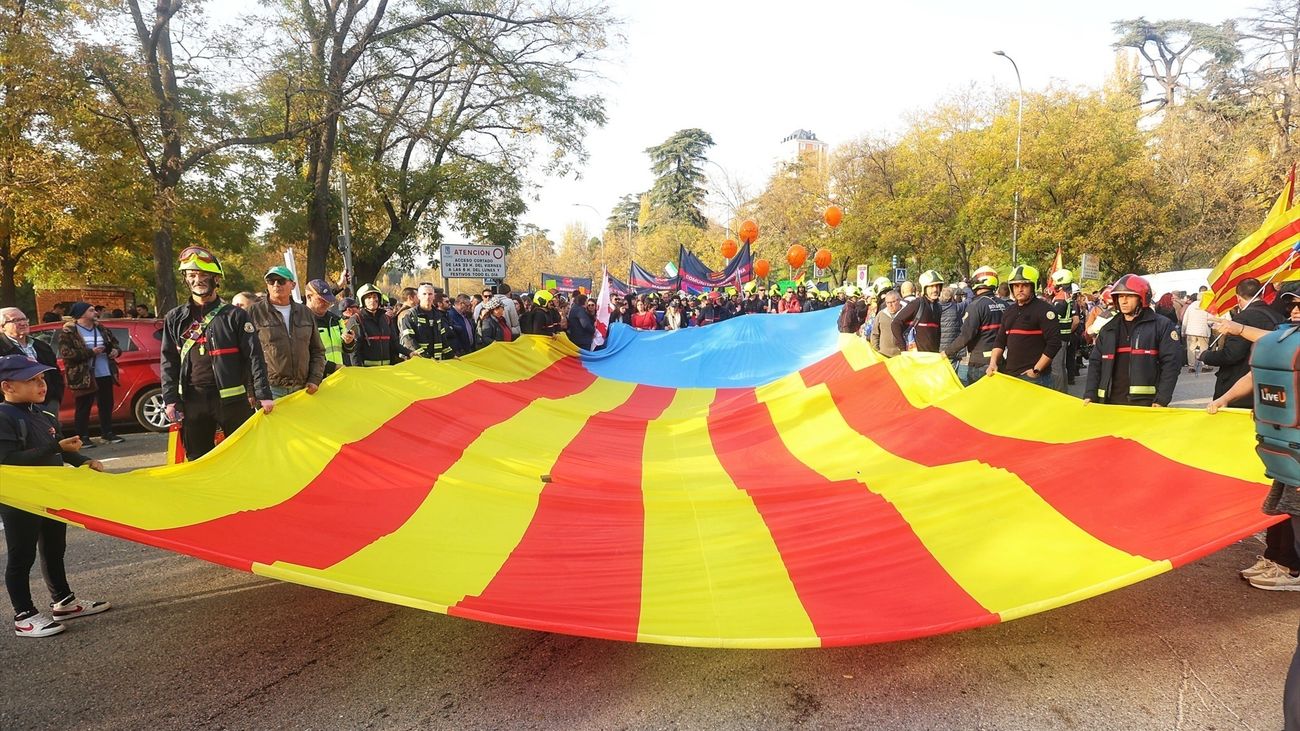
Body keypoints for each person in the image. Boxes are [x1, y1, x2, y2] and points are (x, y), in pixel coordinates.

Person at [1204, 293, 1300, 726]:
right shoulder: (1283, 340)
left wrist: (1240, 329)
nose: (1293, 309)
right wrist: (1224, 400)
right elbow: (1257, 369)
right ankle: (1283, 563)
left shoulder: (1281, 339)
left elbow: (1259, 359)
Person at [0, 355, 111, 638]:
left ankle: (63, 601)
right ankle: (24, 615)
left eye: (41, 378)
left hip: (51, 493)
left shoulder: (44, 414)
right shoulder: (4, 417)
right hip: (20, 499)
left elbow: (62, 449)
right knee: (20, 556)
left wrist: (83, 459)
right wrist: (55, 446)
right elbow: (8, 459)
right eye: (31, 380)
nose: (42, 384)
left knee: (53, 548)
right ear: (7, 387)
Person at [162, 247, 274, 460]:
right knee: (198, 459)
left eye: (204, 275)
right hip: (193, 401)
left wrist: (263, 394)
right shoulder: (174, 318)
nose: (197, 280)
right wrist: (170, 399)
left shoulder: (236, 316)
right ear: (185, 279)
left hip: (233, 402)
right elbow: (168, 361)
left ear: (216, 279)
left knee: (244, 457)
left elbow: (254, 357)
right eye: (192, 275)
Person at [1083, 274, 1181, 407]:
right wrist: (1090, 394)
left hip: (1146, 405)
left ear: (1142, 298)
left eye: (1129, 296)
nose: (1123, 301)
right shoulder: (1108, 329)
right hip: (1110, 404)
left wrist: (1162, 399)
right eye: (1120, 296)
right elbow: (1095, 364)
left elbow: (1171, 364)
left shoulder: (1162, 326)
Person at [247, 266, 327, 398]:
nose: (276, 285)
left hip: (303, 388)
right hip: (270, 389)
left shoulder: (305, 312)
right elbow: (247, 353)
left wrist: (314, 379)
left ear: (293, 285)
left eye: (281, 281)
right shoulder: (254, 312)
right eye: (271, 281)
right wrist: (251, 391)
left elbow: (317, 350)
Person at [1200, 278, 1280, 407]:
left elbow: (1232, 355)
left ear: (1238, 298)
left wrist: (1206, 356)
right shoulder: (1277, 315)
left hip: (1240, 386)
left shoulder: (1241, 319)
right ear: (1261, 294)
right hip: (1270, 385)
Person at [57, 302, 123, 447]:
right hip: (83, 375)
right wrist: (91, 352)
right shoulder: (69, 332)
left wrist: (115, 351)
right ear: (81, 314)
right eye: (91, 310)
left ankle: (107, 433)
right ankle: (82, 437)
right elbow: (66, 354)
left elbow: (115, 343)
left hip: (104, 372)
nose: (95, 313)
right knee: (83, 406)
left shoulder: (100, 328)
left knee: (106, 404)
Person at [988, 265, 1061, 387]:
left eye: (1024, 285)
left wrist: (1036, 370)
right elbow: (1000, 341)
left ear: (1033, 287)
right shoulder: (1009, 311)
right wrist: (993, 363)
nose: (1019, 289)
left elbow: (1054, 343)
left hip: (1036, 378)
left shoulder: (1045, 310)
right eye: (1016, 286)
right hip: (1011, 376)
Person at [944, 269, 1005, 387]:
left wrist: (947, 352)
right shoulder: (1004, 305)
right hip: (1000, 361)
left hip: (980, 363)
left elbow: (966, 335)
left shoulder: (975, 306)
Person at [0, 307, 63, 414]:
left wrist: (55, 398)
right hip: (14, 410)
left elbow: (55, 374)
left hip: (47, 404)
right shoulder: (2, 348)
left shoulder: (41, 346)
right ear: (2, 327)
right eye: (16, 320)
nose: (23, 323)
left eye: (24, 319)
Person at [304, 279, 356, 376]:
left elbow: (347, 350)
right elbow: (305, 357)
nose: (326, 303)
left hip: (338, 376)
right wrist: (332, 367)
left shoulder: (336, 320)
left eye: (329, 300)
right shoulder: (301, 322)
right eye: (321, 299)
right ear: (309, 297)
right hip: (315, 380)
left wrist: (349, 342)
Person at [349, 284, 408, 367]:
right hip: (367, 372)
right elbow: (354, 350)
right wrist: (358, 370)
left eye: (375, 296)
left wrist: (410, 353)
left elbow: (395, 344)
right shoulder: (356, 319)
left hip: (387, 371)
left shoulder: (387, 319)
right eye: (368, 297)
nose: (372, 300)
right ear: (362, 301)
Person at [893, 270, 945, 352]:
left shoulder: (938, 307)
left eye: (937, 286)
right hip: (915, 359)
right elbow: (896, 323)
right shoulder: (916, 304)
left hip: (931, 359)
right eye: (931, 286)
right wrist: (903, 348)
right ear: (924, 288)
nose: (935, 289)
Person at [399, 284, 455, 360]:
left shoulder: (438, 315)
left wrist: (452, 356)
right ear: (418, 296)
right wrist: (426, 357)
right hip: (419, 362)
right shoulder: (409, 315)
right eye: (424, 294)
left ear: (434, 296)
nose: (427, 297)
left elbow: (443, 340)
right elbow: (409, 340)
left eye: (430, 294)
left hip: (436, 362)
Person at [1049, 269, 1079, 391]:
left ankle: (1059, 392)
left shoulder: (1059, 300)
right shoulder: (1067, 298)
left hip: (1059, 336)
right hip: (1065, 336)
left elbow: (1052, 318)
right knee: (1061, 366)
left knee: (1056, 367)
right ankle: (1063, 390)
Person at [1180, 289, 1212, 373]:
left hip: (1191, 331)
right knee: (1204, 349)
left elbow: (1185, 320)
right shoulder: (1206, 306)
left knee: (1191, 349)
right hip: (1203, 331)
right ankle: (1205, 365)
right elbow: (1210, 320)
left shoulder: (1191, 306)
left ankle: (1191, 366)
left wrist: (1183, 331)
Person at [871, 291, 904, 357]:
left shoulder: (905, 313)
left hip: (901, 356)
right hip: (883, 355)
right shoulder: (881, 314)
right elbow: (874, 334)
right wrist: (877, 350)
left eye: (893, 302)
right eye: (888, 303)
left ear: (899, 300)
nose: (890, 305)